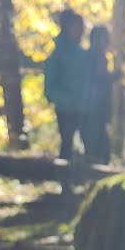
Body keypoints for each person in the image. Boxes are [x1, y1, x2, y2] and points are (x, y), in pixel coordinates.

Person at [43, 9, 89, 160]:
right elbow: (49, 88)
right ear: (67, 27)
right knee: (67, 147)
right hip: (66, 110)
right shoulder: (57, 54)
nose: (81, 31)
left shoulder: (83, 54)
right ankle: (65, 181)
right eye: (78, 27)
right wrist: (69, 99)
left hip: (85, 109)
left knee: (89, 149)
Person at [82, 26, 114, 164]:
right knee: (97, 149)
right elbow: (100, 79)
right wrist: (113, 77)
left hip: (95, 109)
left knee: (97, 147)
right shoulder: (96, 56)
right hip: (94, 109)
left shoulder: (91, 56)